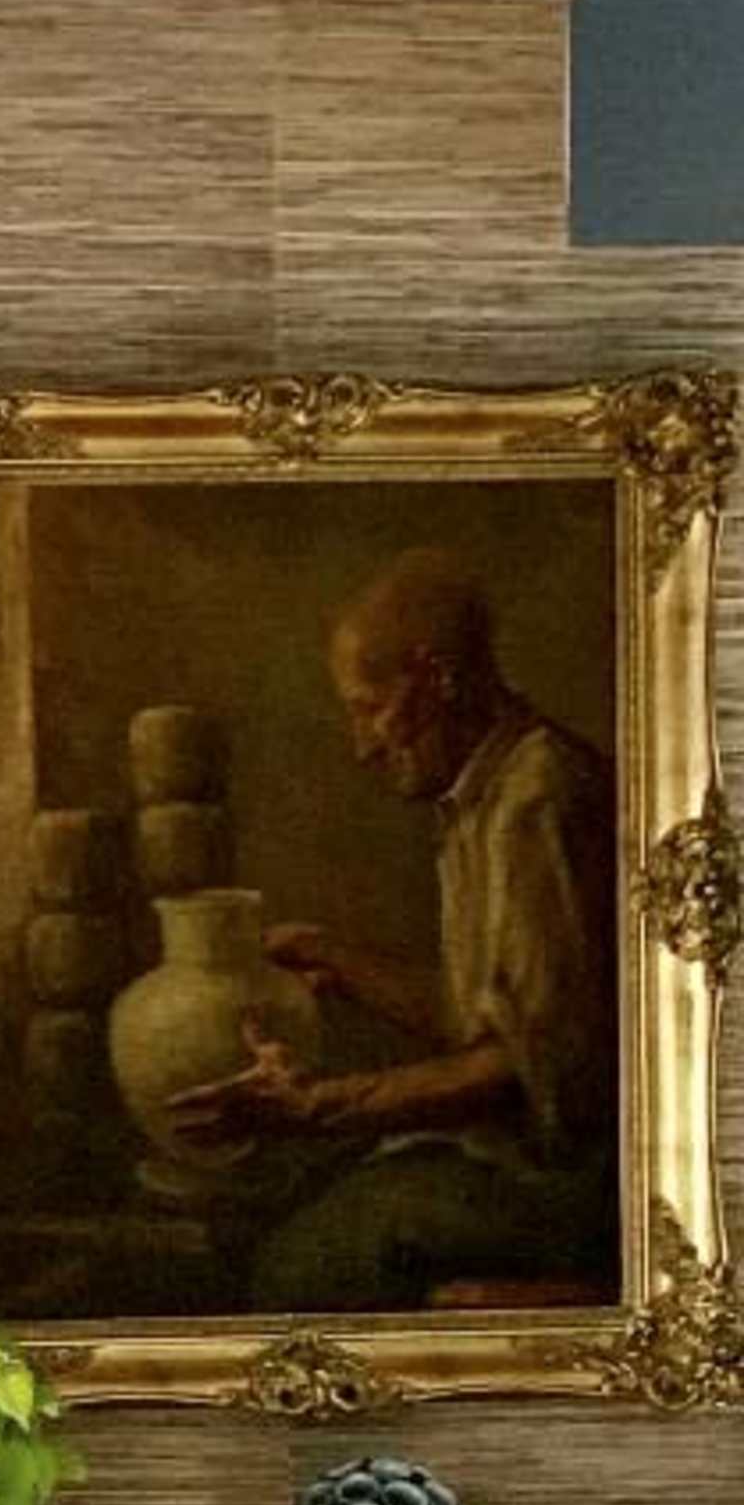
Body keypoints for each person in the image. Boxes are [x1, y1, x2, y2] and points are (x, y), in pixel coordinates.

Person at [166, 547, 616, 1312]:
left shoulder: (539, 802)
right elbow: (480, 1018)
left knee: (296, 1266)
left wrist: (314, 1108)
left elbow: (529, 1070)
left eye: (370, 707)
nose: (363, 744)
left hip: (576, 1185)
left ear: (438, 678)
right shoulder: (479, 797)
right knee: (280, 1201)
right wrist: (334, 961)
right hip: (524, 1160)